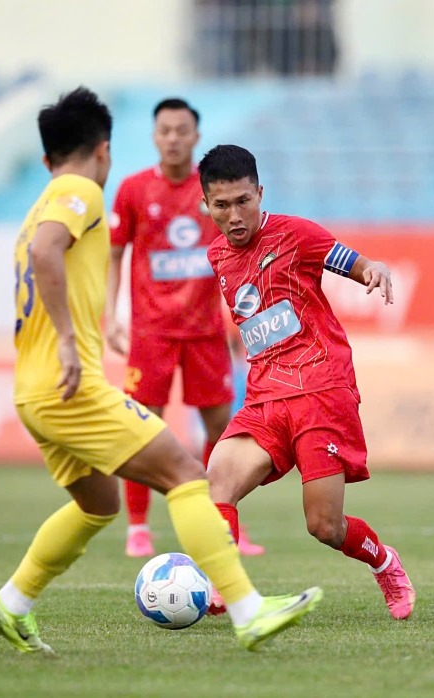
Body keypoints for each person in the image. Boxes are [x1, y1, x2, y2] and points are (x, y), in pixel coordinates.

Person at [0, 87, 321, 655]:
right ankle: (248, 610)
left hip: (33, 390)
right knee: (188, 474)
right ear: (104, 151)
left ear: (45, 158)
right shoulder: (79, 190)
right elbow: (46, 252)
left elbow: (40, 250)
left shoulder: (40, 200)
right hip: (71, 386)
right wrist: (68, 341)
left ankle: (11, 604)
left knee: (98, 504)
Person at [198, 144, 416, 621]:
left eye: (243, 202)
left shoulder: (297, 235)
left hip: (321, 390)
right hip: (265, 397)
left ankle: (385, 561)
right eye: (221, 205)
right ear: (206, 206)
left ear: (259, 192)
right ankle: (226, 587)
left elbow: (357, 264)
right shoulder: (217, 254)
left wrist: (374, 270)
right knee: (217, 479)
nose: (234, 215)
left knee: (324, 525)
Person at [106, 97, 264, 558]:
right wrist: (111, 315)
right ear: (154, 136)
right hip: (151, 332)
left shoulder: (215, 193)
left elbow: (239, 255)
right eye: (164, 131)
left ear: (195, 136)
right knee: (140, 428)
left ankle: (227, 525)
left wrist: (242, 317)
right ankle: (137, 526)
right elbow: (115, 254)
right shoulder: (134, 190)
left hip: (204, 333)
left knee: (225, 430)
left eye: (181, 130)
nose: (172, 138)